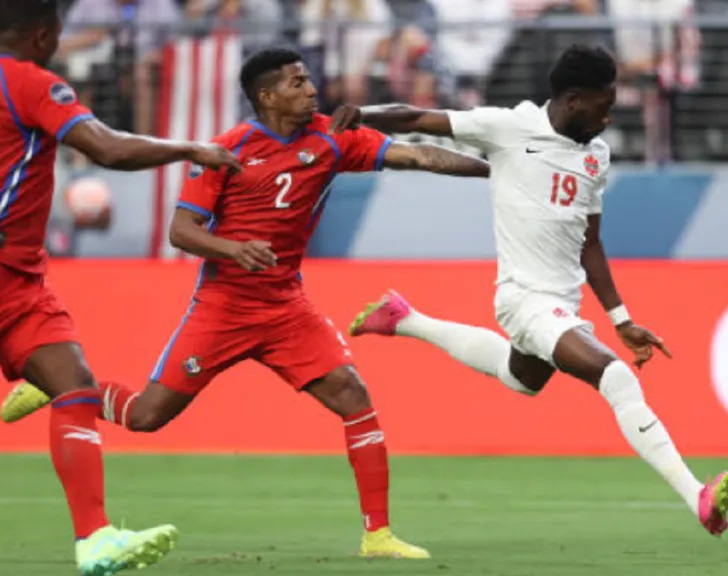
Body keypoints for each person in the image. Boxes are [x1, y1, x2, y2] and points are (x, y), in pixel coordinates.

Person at [3, 46, 490, 559]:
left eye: (309, 81)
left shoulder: (331, 137)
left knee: (354, 397)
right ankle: (58, 387)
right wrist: (234, 248)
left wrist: (492, 172)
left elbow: (418, 155)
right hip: (223, 308)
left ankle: (378, 535)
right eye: (298, 83)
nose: (310, 90)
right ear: (267, 95)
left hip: (286, 308)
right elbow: (181, 231)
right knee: (147, 417)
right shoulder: (227, 149)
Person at [335, 44, 728, 536]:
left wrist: (621, 319)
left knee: (518, 377)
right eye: (603, 106)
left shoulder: (596, 155)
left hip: (560, 305)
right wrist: (363, 114)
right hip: (524, 300)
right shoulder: (509, 128)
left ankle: (403, 318)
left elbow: (591, 244)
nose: (610, 117)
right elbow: (421, 115)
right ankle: (696, 494)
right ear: (572, 100)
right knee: (616, 379)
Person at [0, 0, 240, 574]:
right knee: (75, 388)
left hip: (21, 280)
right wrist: (189, 148)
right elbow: (104, 147)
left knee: (75, 384)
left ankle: (96, 539)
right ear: (43, 33)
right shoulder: (30, 82)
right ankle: (92, 537)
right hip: (11, 280)